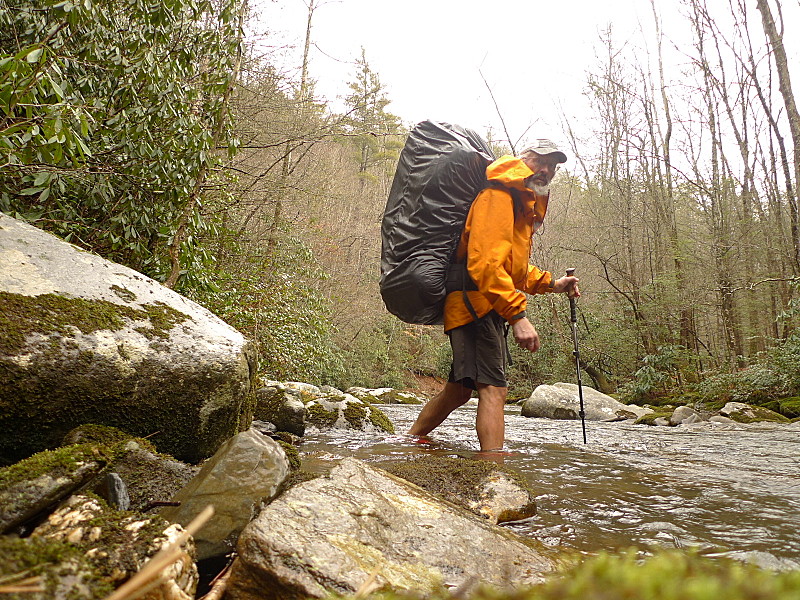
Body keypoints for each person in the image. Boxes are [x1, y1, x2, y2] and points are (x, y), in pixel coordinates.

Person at [407, 140, 580, 452]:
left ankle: (409, 440)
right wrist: (518, 317)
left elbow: (510, 268)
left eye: (552, 166)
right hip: (476, 302)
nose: (545, 170)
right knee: (494, 390)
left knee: (459, 391)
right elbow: (484, 264)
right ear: (522, 158)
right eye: (539, 161)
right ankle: (493, 470)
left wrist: (551, 283)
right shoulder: (498, 194)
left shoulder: (518, 202)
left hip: (481, 302)